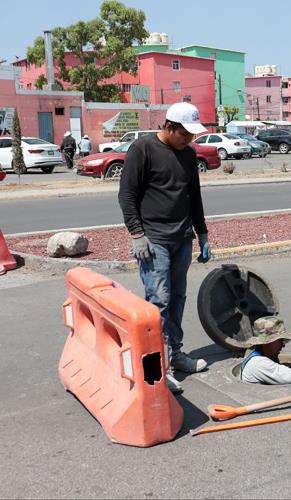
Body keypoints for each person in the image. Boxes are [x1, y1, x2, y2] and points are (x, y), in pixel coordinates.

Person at [118, 102, 212, 394]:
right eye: (185, 134)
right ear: (169, 127)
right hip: (153, 238)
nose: (189, 140)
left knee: (178, 298)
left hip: (182, 237)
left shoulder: (189, 154)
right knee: (159, 301)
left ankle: (176, 353)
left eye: (192, 136)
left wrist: (203, 233)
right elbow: (127, 194)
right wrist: (136, 234)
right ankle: (159, 366)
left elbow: (193, 196)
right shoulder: (142, 150)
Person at [240, 312, 291, 385]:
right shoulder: (258, 363)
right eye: (280, 340)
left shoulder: (259, 353)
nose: (283, 345)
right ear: (266, 342)